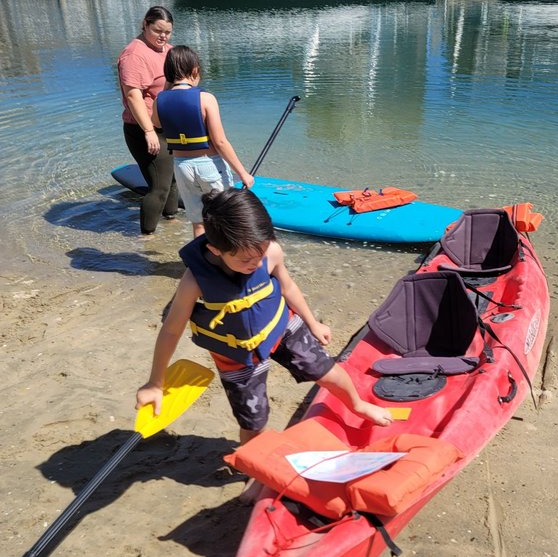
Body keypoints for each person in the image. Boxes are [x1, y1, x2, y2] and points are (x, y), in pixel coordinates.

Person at [136, 188, 392, 453]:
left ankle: (358, 405)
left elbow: (288, 287)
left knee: (327, 371)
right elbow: (171, 331)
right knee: (253, 420)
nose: (256, 263)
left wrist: (312, 322)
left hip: (280, 327)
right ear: (215, 249)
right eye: (245, 259)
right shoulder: (194, 281)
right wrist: (156, 382)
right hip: (235, 352)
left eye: (260, 253)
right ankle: (252, 465)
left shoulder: (271, 252)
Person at [153, 45, 255, 238]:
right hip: (209, 165)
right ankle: (225, 264)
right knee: (224, 219)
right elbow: (220, 142)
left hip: (182, 167)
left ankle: (201, 264)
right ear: (195, 71)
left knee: (198, 222)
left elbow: (156, 123)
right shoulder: (206, 98)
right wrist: (243, 173)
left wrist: (167, 89)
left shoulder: (160, 100)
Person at [117, 5, 180, 235]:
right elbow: (133, 95)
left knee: (173, 180)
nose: (163, 36)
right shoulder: (134, 54)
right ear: (145, 24)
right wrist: (149, 131)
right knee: (160, 187)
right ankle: (147, 238)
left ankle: (172, 225)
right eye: (158, 30)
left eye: (168, 32)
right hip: (144, 129)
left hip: (166, 126)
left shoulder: (166, 50)